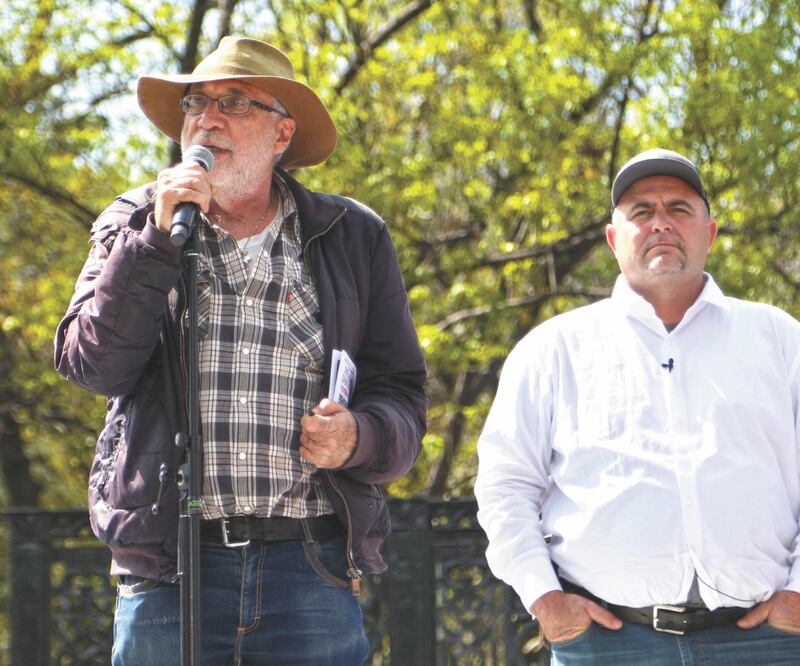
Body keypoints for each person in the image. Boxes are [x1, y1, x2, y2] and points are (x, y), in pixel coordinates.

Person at [54, 36, 427, 665]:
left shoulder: (350, 235)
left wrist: (358, 437)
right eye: (195, 104)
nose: (207, 119)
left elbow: (402, 393)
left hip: (309, 566)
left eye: (235, 103)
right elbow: (92, 364)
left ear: (283, 136)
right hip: (169, 569)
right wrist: (153, 243)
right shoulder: (134, 221)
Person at [475, 148, 800, 665]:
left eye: (679, 209)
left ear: (709, 233)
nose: (661, 224)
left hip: (767, 643)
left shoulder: (780, 339)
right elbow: (504, 487)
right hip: (608, 645)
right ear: (613, 239)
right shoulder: (554, 349)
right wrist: (544, 597)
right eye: (641, 212)